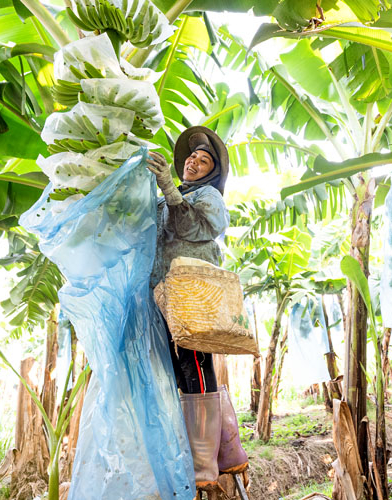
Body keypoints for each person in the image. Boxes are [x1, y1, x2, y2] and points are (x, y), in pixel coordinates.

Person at [146, 126, 247, 489]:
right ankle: (226, 450)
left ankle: (204, 467)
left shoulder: (207, 197)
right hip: (163, 295)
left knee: (196, 368)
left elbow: (195, 229)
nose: (194, 162)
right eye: (192, 157)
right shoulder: (164, 199)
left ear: (211, 172)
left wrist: (170, 191)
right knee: (178, 373)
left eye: (203, 160)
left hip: (193, 294)